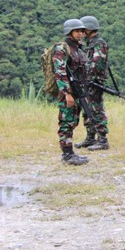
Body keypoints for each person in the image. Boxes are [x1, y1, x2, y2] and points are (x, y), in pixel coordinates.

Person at [53, 19, 90, 165]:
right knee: (66, 122)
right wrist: (66, 93)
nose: (80, 34)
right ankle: (67, 155)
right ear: (69, 32)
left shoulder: (78, 49)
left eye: (82, 31)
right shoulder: (62, 48)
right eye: (77, 31)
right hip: (68, 92)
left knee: (73, 121)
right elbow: (60, 71)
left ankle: (70, 153)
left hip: (78, 91)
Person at [74, 15, 110, 151]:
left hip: (94, 82)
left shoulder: (99, 44)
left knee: (96, 110)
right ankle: (90, 137)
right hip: (87, 82)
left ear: (89, 29)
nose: (81, 32)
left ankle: (102, 140)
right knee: (87, 109)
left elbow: (96, 64)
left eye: (83, 30)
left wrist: (86, 75)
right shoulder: (89, 44)